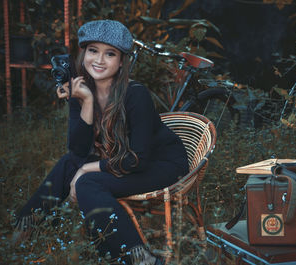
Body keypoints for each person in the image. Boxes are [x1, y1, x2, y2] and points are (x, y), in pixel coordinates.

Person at [13, 20, 189, 265]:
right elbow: (77, 151)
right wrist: (85, 102)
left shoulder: (135, 94)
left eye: (110, 53)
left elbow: (136, 159)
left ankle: (142, 259)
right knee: (68, 164)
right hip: (123, 159)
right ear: (84, 53)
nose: (99, 60)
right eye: (93, 50)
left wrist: (86, 169)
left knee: (86, 182)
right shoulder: (82, 89)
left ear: (121, 61)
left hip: (161, 164)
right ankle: (22, 230)